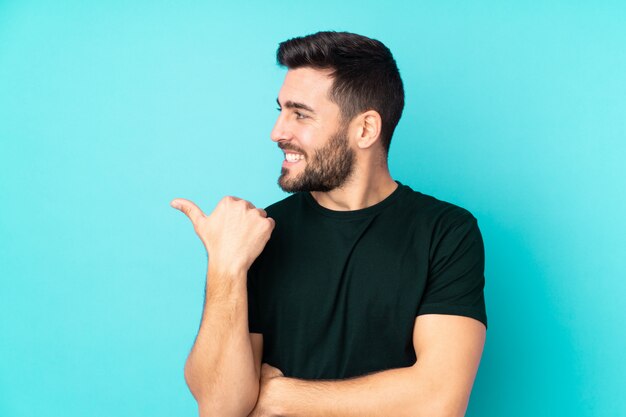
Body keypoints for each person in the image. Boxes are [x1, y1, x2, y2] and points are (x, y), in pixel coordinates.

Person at [170, 31, 487, 417]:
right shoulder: (257, 234)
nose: (278, 132)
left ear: (366, 129)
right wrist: (225, 266)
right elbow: (221, 408)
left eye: (300, 114)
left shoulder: (446, 231)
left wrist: (277, 397)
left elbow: (439, 401)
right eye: (280, 110)